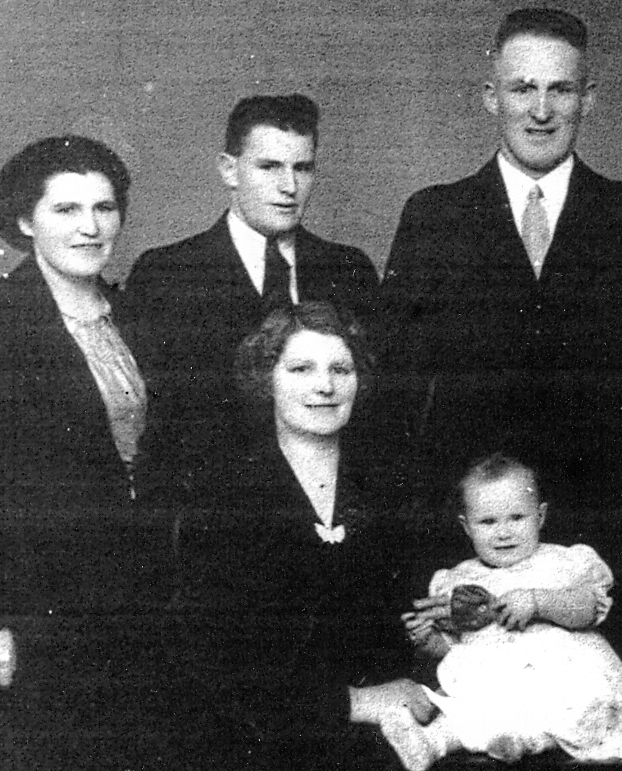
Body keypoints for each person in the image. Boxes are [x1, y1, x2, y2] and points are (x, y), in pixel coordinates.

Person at [381, 8, 622, 518]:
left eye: (561, 90)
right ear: (490, 97)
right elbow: (394, 399)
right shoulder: (434, 217)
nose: (541, 110)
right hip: (465, 539)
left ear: (587, 99)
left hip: (605, 534)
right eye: (522, 89)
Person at [171, 301, 435, 770]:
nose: (325, 386)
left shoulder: (389, 487)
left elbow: (405, 624)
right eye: (300, 368)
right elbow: (214, 664)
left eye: (341, 368)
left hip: (389, 733)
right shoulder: (224, 497)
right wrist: (351, 702)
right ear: (265, 379)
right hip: (262, 744)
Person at [0, 135, 171, 769]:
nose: (91, 227)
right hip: (37, 613)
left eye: (105, 208)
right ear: (25, 221)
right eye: (67, 210)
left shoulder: (139, 314)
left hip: (142, 604)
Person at [126, 93, 380, 505]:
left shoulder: (349, 270)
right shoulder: (166, 275)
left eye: (303, 168)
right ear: (229, 170)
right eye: (269, 167)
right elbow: (158, 428)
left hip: (328, 510)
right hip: (212, 517)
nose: (289, 187)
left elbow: (371, 417)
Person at [399, 453, 622, 770]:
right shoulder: (457, 580)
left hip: (560, 675)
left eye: (517, 518)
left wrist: (539, 602)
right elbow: (451, 649)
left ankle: (528, 739)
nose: (503, 532)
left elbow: (588, 609)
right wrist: (427, 638)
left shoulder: (562, 561)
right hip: (494, 679)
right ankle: (435, 742)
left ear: (540, 516)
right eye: (488, 522)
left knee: (572, 705)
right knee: (467, 704)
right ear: (466, 526)